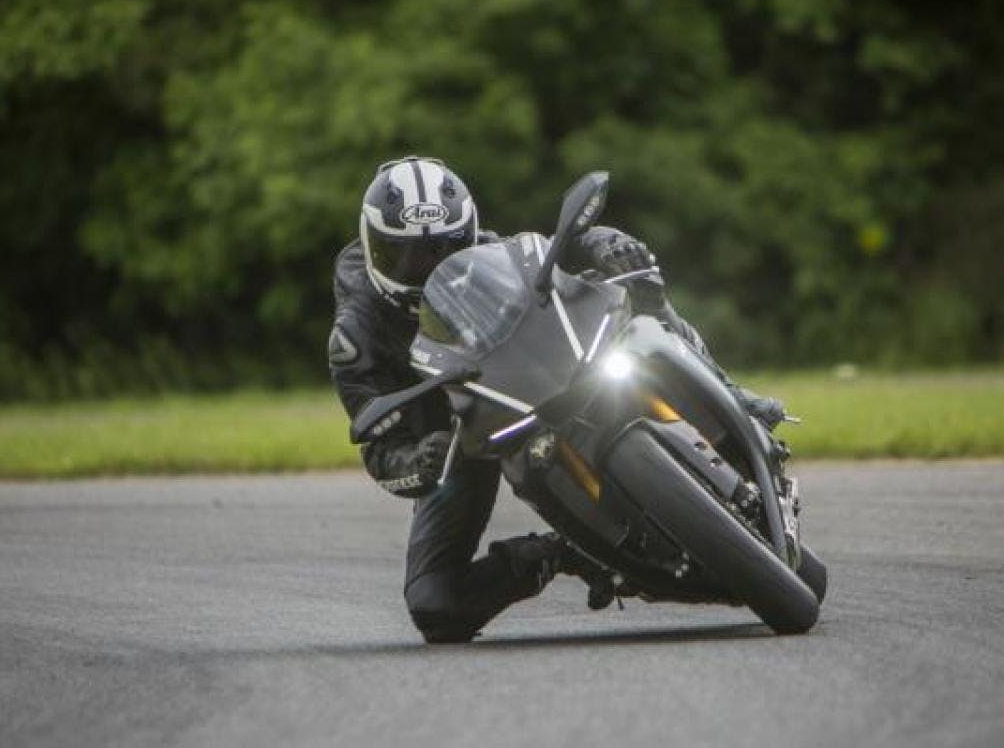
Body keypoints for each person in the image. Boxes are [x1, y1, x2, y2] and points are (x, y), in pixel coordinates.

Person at [327, 156, 782, 643]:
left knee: (641, 298)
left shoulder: (481, 256)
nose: (429, 266)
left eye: (446, 247)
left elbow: (549, 257)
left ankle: (729, 394)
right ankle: (562, 553)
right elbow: (380, 448)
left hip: (541, 374)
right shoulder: (355, 336)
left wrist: (602, 242)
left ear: (469, 232)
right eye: (408, 257)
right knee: (435, 603)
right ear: (373, 247)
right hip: (463, 433)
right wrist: (418, 459)